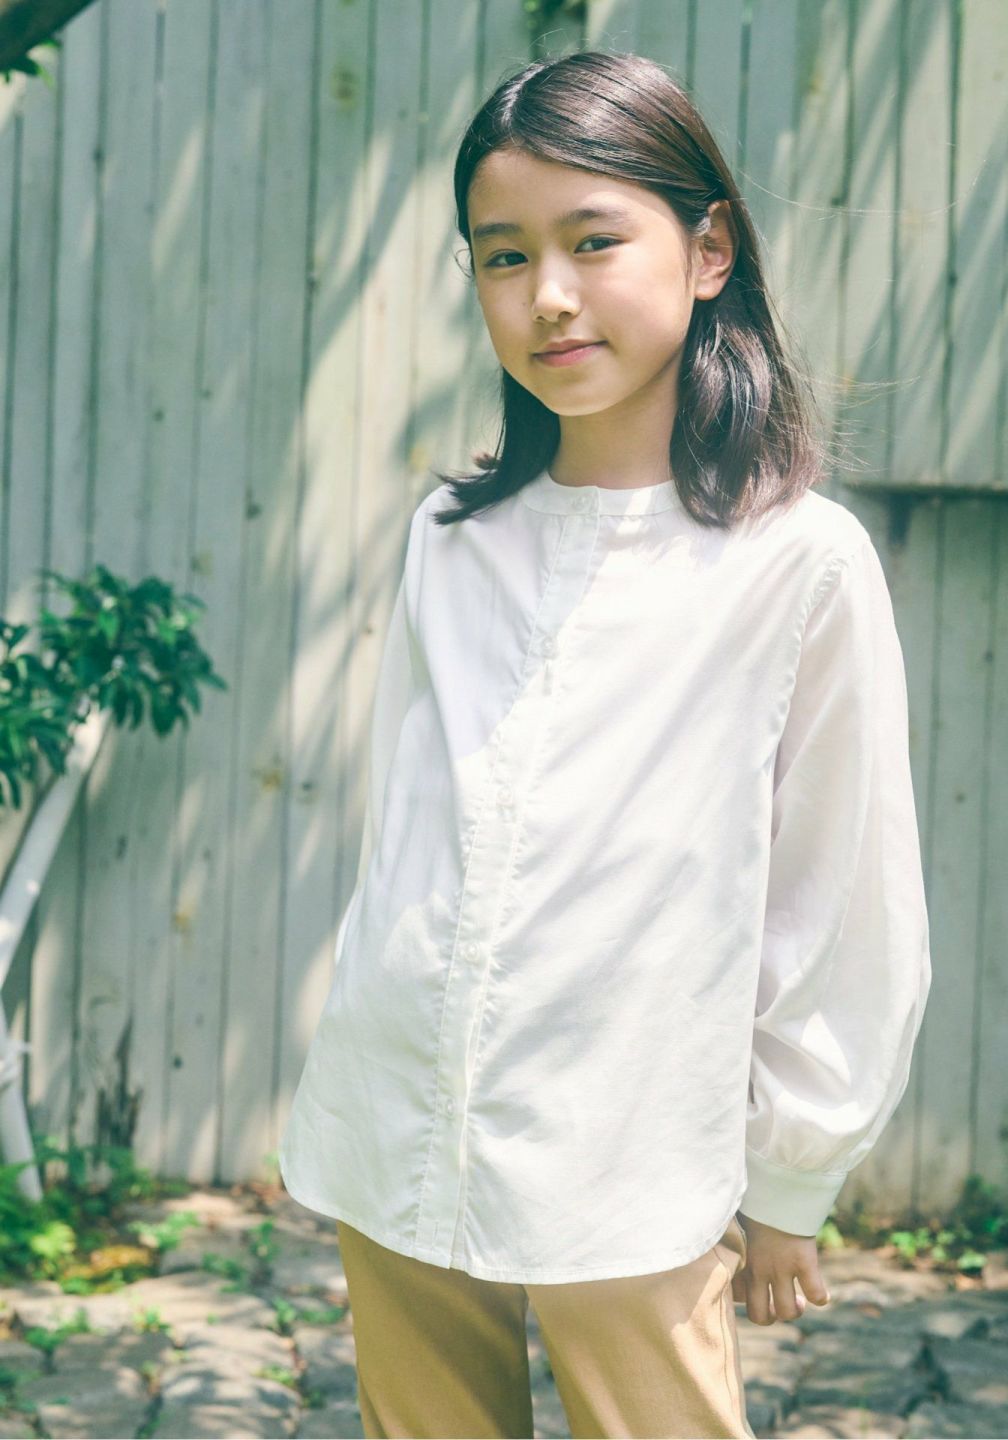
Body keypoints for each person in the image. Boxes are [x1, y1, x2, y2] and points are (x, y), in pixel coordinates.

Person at [278, 48, 932, 1440]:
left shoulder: (799, 563)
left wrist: (792, 1176)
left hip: (630, 1158)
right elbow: (409, 836)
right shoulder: (451, 538)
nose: (549, 296)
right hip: (401, 1117)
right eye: (503, 256)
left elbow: (842, 892)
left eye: (593, 241)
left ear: (709, 252)